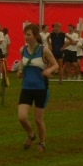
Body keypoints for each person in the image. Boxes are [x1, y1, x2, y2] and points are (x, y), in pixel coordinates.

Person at [17, 24, 59, 153]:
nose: (26, 37)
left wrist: (48, 71)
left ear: (35, 35)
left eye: (28, 34)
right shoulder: (22, 50)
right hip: (26, 88)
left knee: (38, 120)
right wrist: (20, 71)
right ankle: (31, 134)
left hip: (41, 89)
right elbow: (22, 63)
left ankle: (42, 142)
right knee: (22, 117)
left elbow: (55, 65)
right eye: (25, 34)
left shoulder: (44, 50)